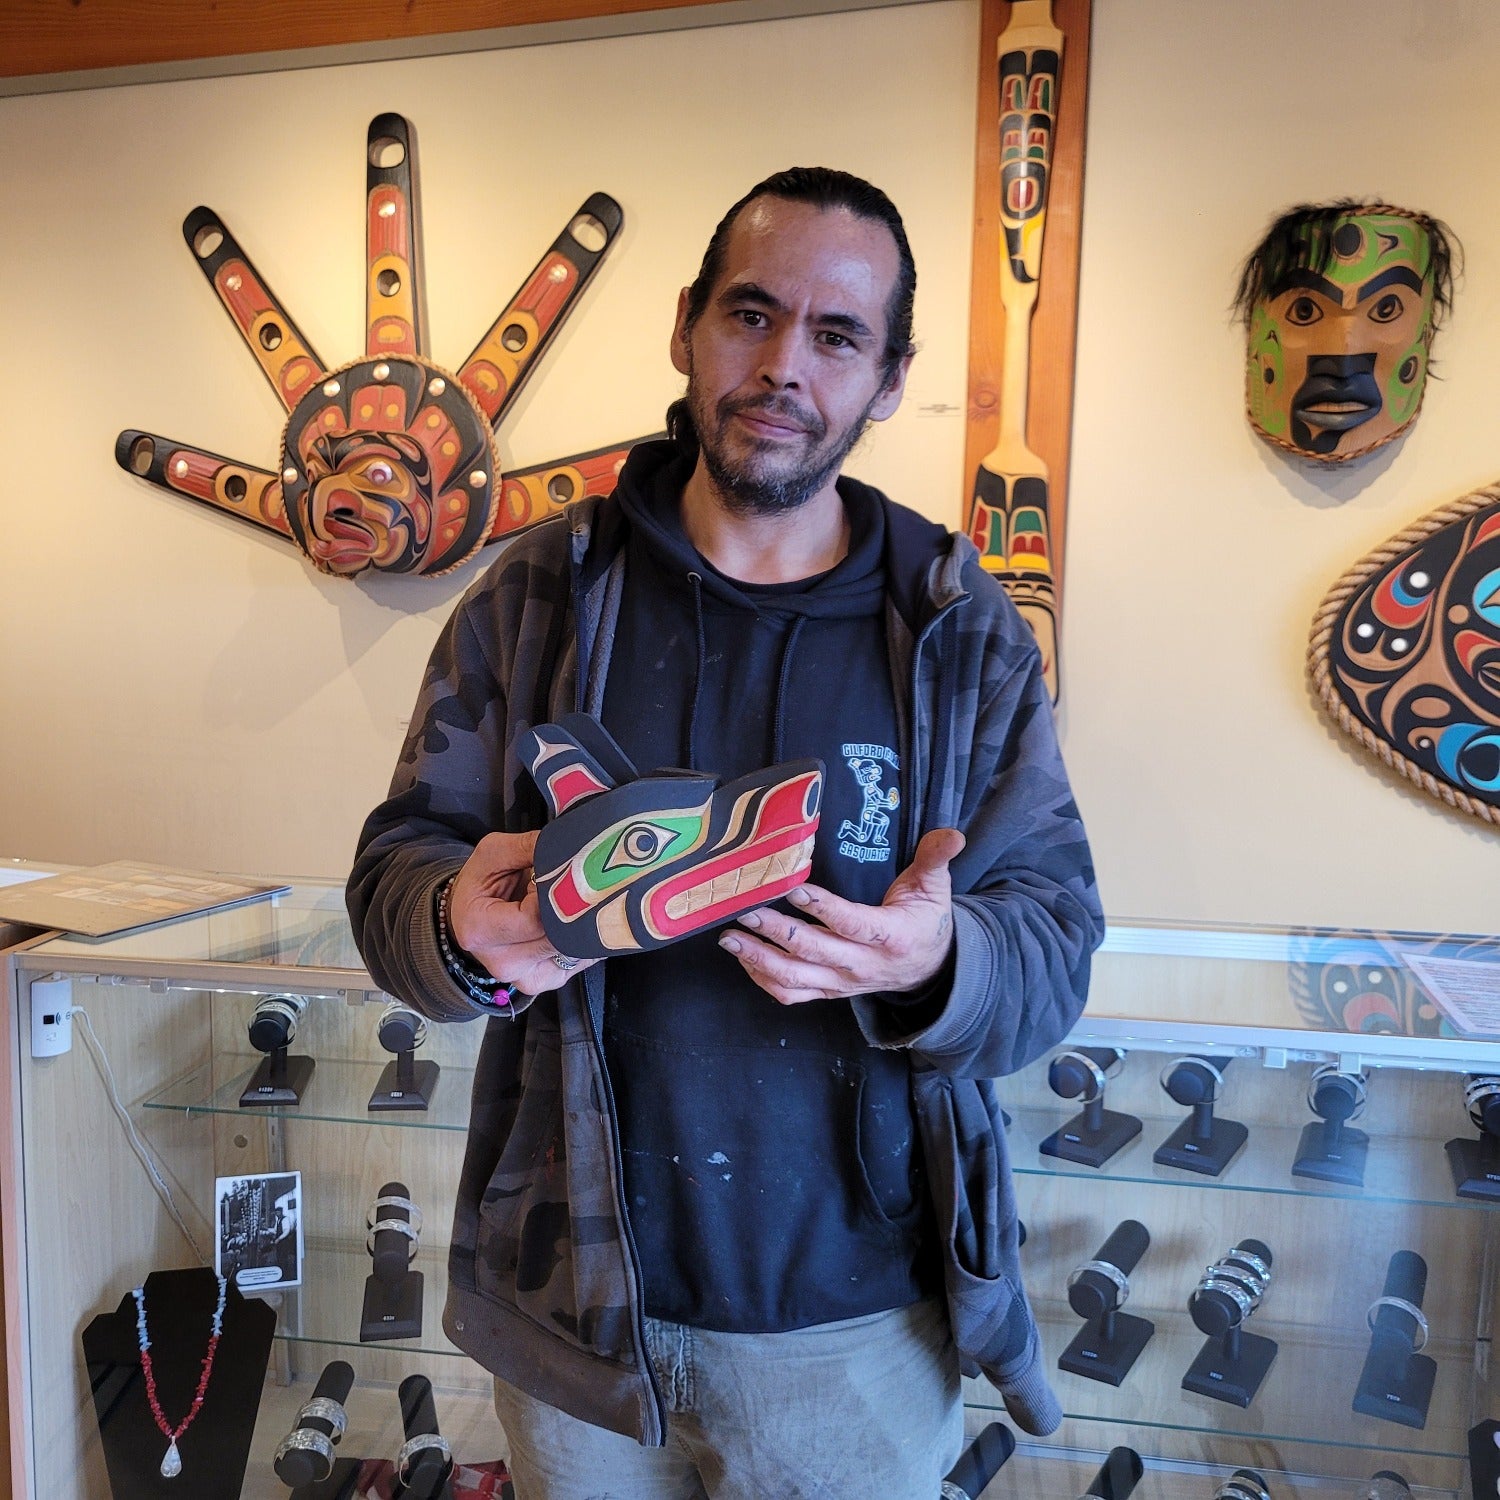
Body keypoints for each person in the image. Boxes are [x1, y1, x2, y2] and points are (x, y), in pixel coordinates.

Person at [347, 166, 1104, 1499]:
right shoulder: (536, 594)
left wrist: (936, 963)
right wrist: (456, 927)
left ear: (888, 374)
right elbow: (396, 879)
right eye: (750, 316)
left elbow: (1054, 944)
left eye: (836, 335)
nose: (783, 367)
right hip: (567, 1316)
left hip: (860, 1329)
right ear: (687, 324)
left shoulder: (957, 632)